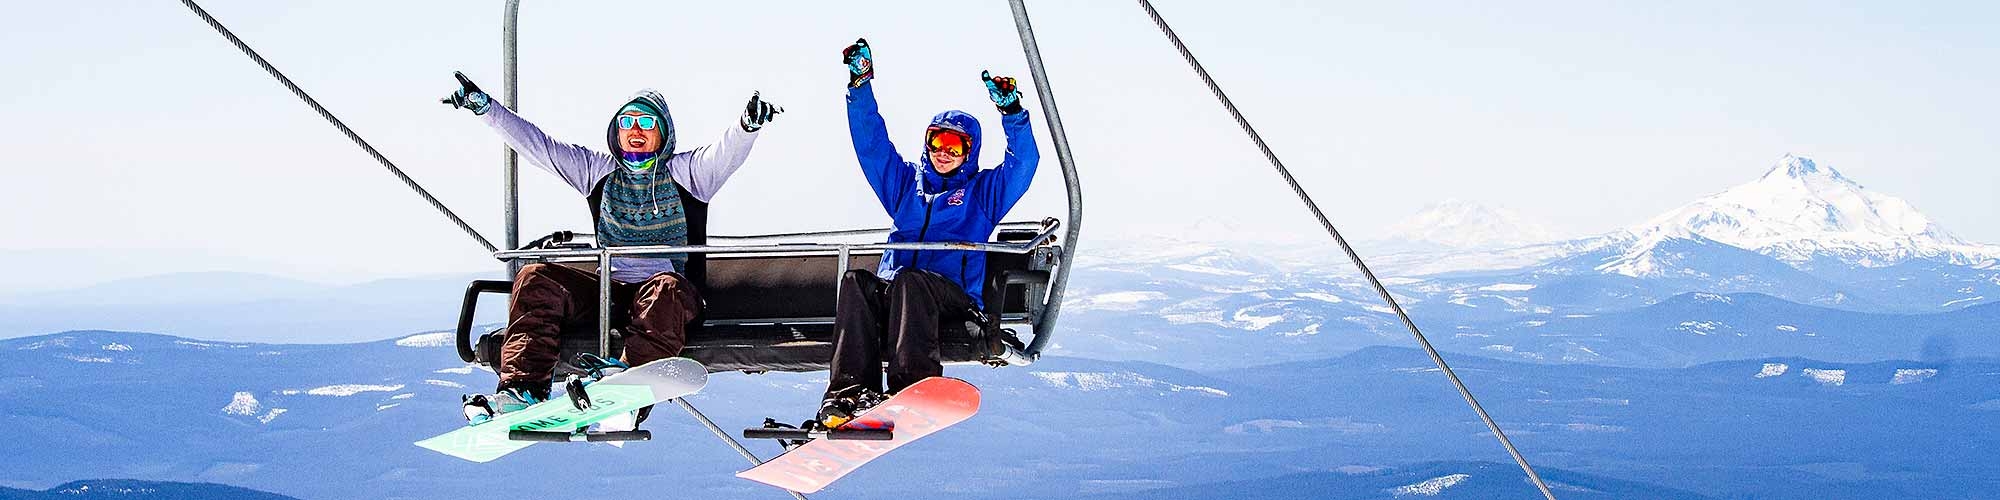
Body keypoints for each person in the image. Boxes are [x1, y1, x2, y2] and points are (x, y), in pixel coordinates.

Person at [441, 72, 783, 423]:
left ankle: (626, 391)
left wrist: (747, 125)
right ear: (616, 132)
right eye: (627, 122)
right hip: (610, 293)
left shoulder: (687, 173)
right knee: (535, 277)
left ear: (663, 132)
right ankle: (521, 389)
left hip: (669, 297)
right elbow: (540, 147)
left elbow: (724, 153)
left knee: (666, 288)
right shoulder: (597, 172)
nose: (636, 131)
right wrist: (486, 109)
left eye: (646, 123)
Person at [818, 38, 1039, 426]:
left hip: (950, 296)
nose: (944, 152)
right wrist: (860, 85)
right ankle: (848, 394)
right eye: (937, 141)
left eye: (955, 146)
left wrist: (1013, 114)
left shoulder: (981, 194)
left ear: (969, 153)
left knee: (912, 282)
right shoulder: (906, 188)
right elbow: (873, 147)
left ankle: (911, 383)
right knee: (855, 281)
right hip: (904, 293)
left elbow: (1022, 166)